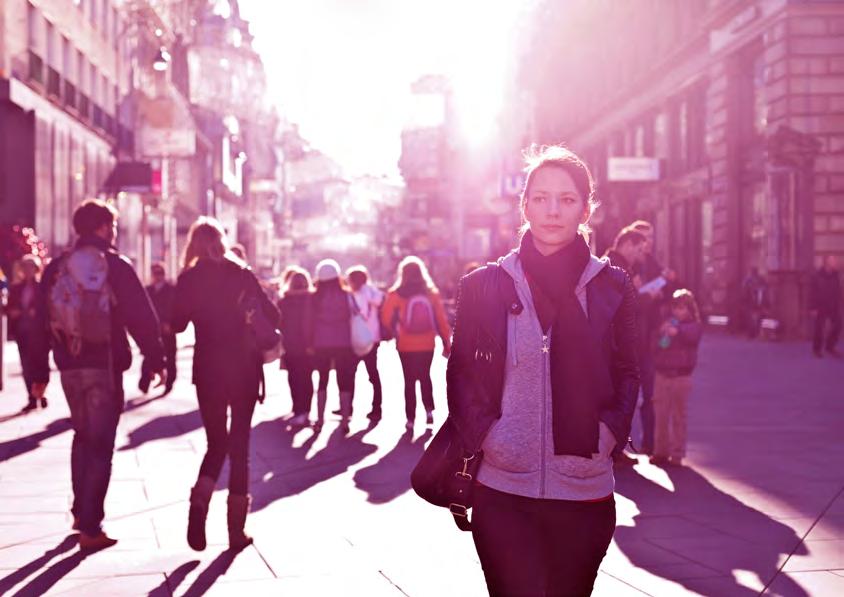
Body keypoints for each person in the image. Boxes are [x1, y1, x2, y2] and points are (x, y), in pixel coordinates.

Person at [446, 145, 639, 596]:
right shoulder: (483, 286)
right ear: (525, 204)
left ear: (586, 208)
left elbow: (630, 371)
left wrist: (609, 434)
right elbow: (461, 377)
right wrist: (491, 439)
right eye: (541, 198)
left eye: (567, 199)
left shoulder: (613, 286)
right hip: (503, 489)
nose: (553, 211)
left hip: (584, 489)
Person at [31, 199, 166, 551]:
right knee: (101, 444)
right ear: (104, 227)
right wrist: (155, 358)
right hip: (104, 365)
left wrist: (38, 370)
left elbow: (38, 321)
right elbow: (141, 316)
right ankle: (91, 527)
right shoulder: (116, 266)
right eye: (113, 225)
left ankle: (80, 512)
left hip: (69, 363)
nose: (116, 231)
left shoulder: (58, 267)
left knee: (82, 435)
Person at [171, 217, 280, 551]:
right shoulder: (241, 274)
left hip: (208, 370)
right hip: (243, 369)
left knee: (216, 442)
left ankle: (199, 503)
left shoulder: (189, 278)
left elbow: (176, 324)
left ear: (193, 245)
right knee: (240, 445)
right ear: (221, 241)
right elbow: (273, 318)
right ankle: (236, 531)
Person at [381, 256, 452, 430]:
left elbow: (385, 318)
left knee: (409, 379)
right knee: (425, 375)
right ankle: (429, 410)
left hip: (405, 344)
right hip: (427, 343)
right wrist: (446, 341)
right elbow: (441, 320)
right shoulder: (430, 293)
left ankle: (410, 418)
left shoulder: (396, 294)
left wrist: (394, 333)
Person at [650, 289, 703, 467]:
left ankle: (677, 453)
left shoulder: (694, 325)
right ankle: (660, 451)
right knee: (661, 415)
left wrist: (678, 331)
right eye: (676, 308)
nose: (678, 312)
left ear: (689, 309)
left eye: (682, 308)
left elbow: (692, 337)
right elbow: (658, 346)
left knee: (679, 416)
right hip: (662, 374)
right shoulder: (667, 323)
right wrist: (661, 335)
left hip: (681, 376)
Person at [309, 259, 357, 431]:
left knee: (322, 381)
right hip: (344, 343)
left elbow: (309, 322)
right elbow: (356, 316)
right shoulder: (347, 295)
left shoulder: (314, 297)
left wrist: (309, 342)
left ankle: (320, 420)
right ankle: (345, 421)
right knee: (344, 381)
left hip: (321, 343)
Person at [7, 255, 46, 411]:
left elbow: (47, 309)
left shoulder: (42, 288)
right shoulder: (16, 289)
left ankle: (40, 393)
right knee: (27, 365)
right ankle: (32, 397)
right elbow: (9, 308)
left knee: (41, 366)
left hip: (39, 333)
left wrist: (37, 313)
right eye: (25, 267)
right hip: (23, 332)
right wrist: (13, 312)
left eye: (31, 267)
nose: (27, 270)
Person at [347, 266, 385, 422]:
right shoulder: (374, 293)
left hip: (356, 339)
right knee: (373, 374)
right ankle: (377, 408)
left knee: (349, 374)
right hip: (373, 338)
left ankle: (347, 407)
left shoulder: (354, 295)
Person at [278, 267, 314, 427]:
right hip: (308, 346)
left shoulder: (283, 301)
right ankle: (306, 411)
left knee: (293, 378)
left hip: (290, 346)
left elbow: (279, 323)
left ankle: (297, 409)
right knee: (307, 379)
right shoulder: (312, 300)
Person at [140, 262, 177, 395]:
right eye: (155, 273)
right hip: (152, 328)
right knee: (148, 353)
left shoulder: (171, 290)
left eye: (160, 273)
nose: (158, 276)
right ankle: (144, 382)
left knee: (170, 355)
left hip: (167, 328)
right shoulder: (147, 290)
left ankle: (169, 382)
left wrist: (171, 324)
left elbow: (176, 309)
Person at [809, 255, 841, 358]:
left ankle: (829, 346)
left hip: (833, 305)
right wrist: (812, 308)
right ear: (827, 262)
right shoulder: (817, 275)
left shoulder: (836, 275)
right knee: (819, 329)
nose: (836, 262)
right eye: (833, 260)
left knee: (838, 325)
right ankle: (816, 350)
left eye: (835, 260)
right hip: (820, 306)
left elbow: (838, 290)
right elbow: (812, 293)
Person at [741, 267, 771, 339]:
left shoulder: (748, 280)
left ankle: (752, 334)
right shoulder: (759, 279)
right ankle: (755, 333)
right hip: (756, 301)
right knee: (756, 318)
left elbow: (744, 289)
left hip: (752, 301)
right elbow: (766, 288)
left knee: (752, 318)